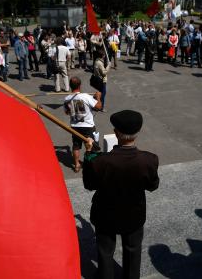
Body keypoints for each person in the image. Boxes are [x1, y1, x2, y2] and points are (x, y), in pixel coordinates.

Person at [82, 109, 160, 279]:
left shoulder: (100, 161)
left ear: (116, 133)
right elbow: (153, 186)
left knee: (105, 251)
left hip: (105, 214)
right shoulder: (149, 159)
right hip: (134, 215)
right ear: (137, 134)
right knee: (133, 251)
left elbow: (89, 184)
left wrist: (89, 154)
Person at [64, 77, 102, 173]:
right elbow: (98, 107)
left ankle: (77, 165)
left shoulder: (67, 98)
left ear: (70, 86)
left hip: (75, 126)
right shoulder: (85, 96)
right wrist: (98, 98)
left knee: (76, 146)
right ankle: (91, 165)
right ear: (80, 85)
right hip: (87, 126)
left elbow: (66, 112)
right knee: (91, 145)